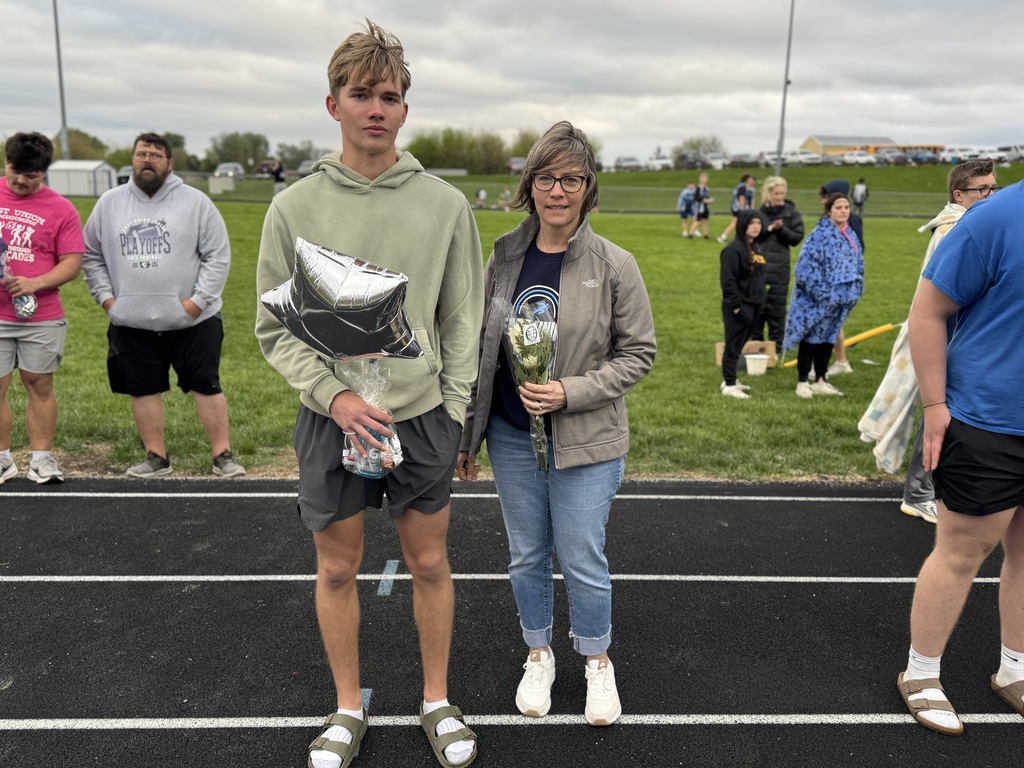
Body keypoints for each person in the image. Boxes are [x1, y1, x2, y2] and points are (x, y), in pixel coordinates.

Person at [254, 20, 483, 768]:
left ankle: (437, 701)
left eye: (389, 96)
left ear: (405, 110)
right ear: (334, 105)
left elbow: (462, 318)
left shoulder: (445, 205)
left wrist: (451, 411)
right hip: (331, 421)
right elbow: (272, 325)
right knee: (336, 569)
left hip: (419, 418)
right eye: (361, 95)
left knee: (429, 565)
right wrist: (333, 395)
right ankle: (347, 708)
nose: (375, 108)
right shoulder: (293, 208)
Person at [456, 121, 656, 726]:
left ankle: (597, 661)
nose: (558, 190)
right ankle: (538, 653)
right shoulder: (503, 257)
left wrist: (571, 392)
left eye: (571, 178)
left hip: (586, 441)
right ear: (530, 185)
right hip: (513, 440)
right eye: (547, 177)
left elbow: (638, 352)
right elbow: (481, 350)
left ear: (588, 187)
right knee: (526, 555)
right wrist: (470, 435)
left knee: (581, 554)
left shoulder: (615, 264)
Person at [896, 178, 1024, 736]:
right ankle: (920, 672)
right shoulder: (995, 219)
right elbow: (926, 312)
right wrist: (935, 404)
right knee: (962, 552)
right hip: (988, 421)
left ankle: (1014, 668)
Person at [82, 132, 246, 479]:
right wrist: (108, 300)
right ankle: (156, 457)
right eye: (141, 153)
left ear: (169, 163)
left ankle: (223, 456)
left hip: (193, 321)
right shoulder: (109, 203)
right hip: (130, 320)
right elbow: (91, 256)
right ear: (132, 160)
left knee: (206, 386)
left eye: (156, 155)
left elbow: (217, 256)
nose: (147, 160)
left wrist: (196, 304)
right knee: (143, 388)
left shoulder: (196, 202)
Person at [858, 159, 996, 525]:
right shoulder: (954, 228)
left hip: (959, 332)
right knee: (938, 409)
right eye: (982, 190)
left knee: (946, 409)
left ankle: (931, 488)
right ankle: (919, 492)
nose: (990, 195)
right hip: (945, 333)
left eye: (994, 188)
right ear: (959, 194)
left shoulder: (969, 223)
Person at [0, 131, 84, 485]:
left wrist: (35, 283)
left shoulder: (62, 209)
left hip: (41, 316)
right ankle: (2, 459)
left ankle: (41, 460)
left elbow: (72, 261)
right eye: (14, 170)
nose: (20, 180)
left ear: (44, 172)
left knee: (40, 386)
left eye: (30, 175)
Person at [783, 192, 863, 399]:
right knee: (811, 338)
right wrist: (823, 294)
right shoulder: (818, 236)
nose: (843, 211)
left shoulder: (850, 235)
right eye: (838, 207)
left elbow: (858, 264)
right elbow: (805, 270)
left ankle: (820, 379)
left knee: (828, 338)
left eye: (846, 207)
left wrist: (855, 289)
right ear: (829, 211)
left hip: (841, 300)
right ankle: (802, 382)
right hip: (816, 300)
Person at [814, 179, 866, 377]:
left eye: (825, 197)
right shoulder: (833, 219)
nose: (822, 202)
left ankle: (825, 364)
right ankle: (839, 361)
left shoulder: (849, 221)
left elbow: (855, 251)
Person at [719, 208, 767, 399]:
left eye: (759, 223)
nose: (756, 227)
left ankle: (732, 378)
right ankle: (729, 384)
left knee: (740, 344)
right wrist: (737, 305)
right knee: (732, 345)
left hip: (755, 304)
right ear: (743, 225)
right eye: (752, 223)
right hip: (739, 306)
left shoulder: (756, 247)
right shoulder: (733, 249)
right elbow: (727, 280)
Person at [753, 176, 804, 351]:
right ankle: (756, 347)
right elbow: (751, 236)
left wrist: (781, 229)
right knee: (756, 309)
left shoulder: (791, 212)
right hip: (758, 266)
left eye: (782, 193)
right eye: (776, 193)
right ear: (768, 193)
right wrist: (768, 229)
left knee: (777, 309)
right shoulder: (759, 213)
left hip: (779, 268)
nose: (779, 197)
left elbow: (797, 237)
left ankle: (776, 348)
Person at [717, 173, 755, 243]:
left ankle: (742, 238)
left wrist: (752, 210)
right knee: (736, 223)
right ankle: (723, 236)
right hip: (738, 208)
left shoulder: (750, 189)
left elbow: (752, 200)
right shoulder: (742, 187)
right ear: (746, 180)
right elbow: (741, 199)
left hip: (742, 209)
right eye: (751, 180)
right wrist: (742, 209)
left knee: (742, 223)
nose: (752, 181)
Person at [688, 173, 714, 239]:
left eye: (705, 178)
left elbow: (706, 197)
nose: (704, 179)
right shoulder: (699, 188)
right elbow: (696, 197)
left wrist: (709, 200)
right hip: (700, 208)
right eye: (703, 178)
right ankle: (690, 234)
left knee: (706, 220)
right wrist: (704, 200)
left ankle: (706, 235)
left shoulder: (707, 188)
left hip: (705, 207)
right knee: (697, 221)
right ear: (700, 179)